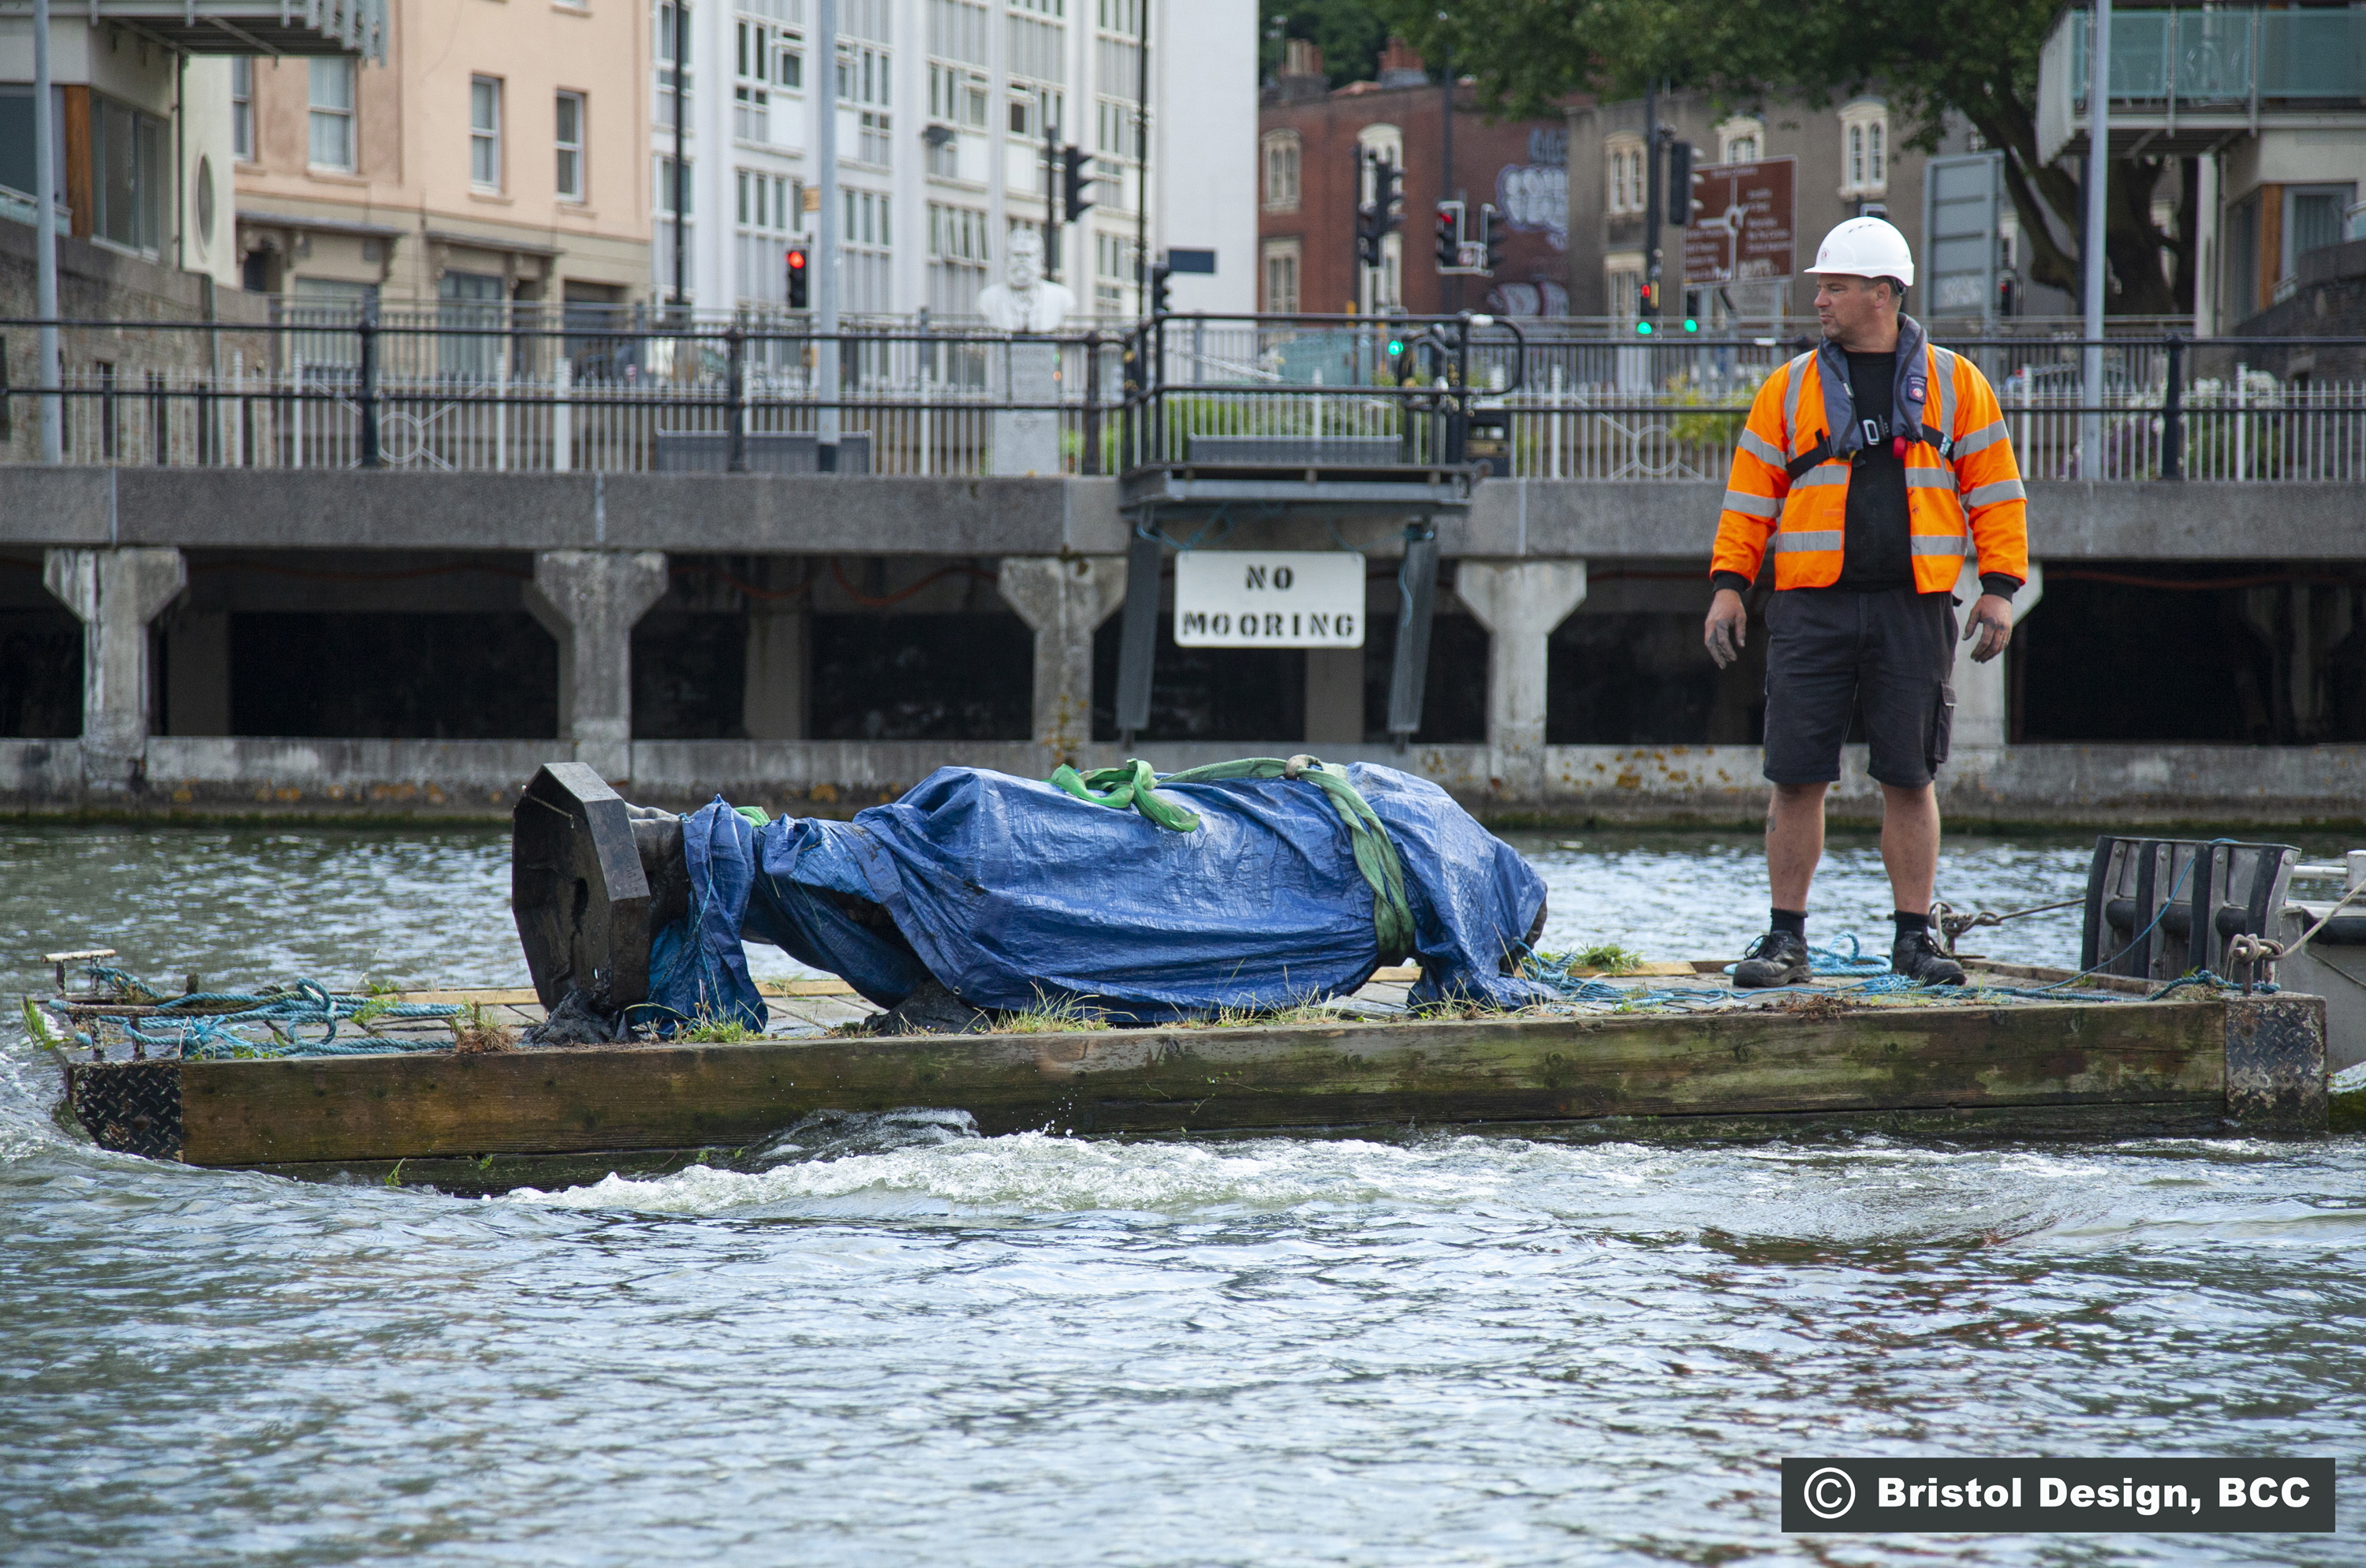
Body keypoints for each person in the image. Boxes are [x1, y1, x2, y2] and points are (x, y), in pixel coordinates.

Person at [1702, 217, 2029, 987]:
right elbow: (1750, 497)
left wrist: (2000, 587)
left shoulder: (1958, 385)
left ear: (1883, 294)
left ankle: (1915, 939)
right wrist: (1728, 585)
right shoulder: (1788, 388)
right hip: (1810, 608)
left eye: (1836, 285)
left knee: (1910, 776)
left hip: (1915, 607)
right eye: (1821, 284)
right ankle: (1786, 940)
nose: (1820, 298)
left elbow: (1997, 490)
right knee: (1795, 774)